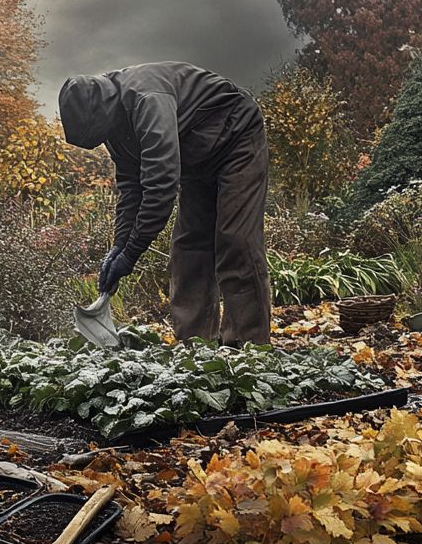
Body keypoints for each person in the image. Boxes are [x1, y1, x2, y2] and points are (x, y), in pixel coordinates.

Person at [58, 61, 271, 345]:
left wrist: (131, 254)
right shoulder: (113, 124)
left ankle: (248, 349)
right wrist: (119, 245)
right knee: (189, 247)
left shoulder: (148, 100)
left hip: (237, 140)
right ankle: (196, 347)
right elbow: (131, 187)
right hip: (196, 160)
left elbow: (160, 188)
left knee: (235, 242)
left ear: (102, 112)